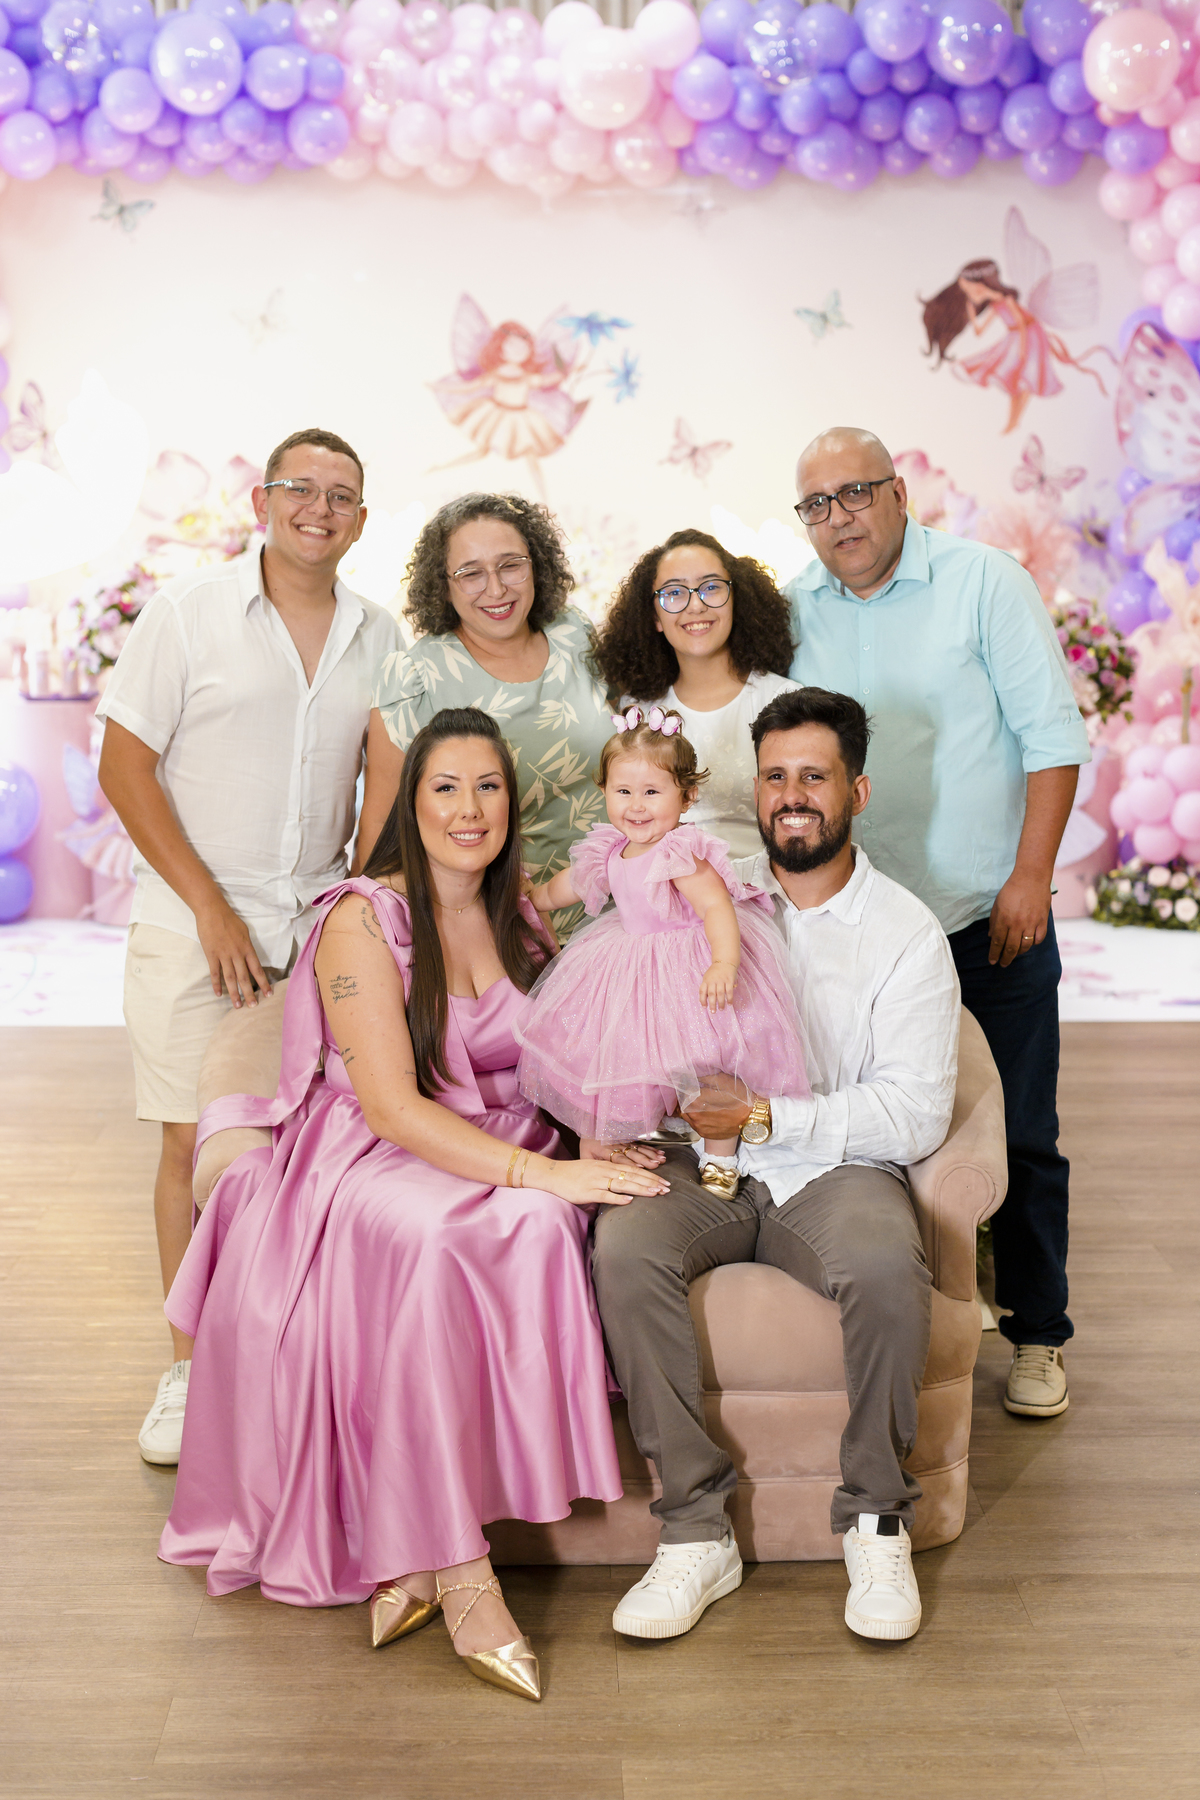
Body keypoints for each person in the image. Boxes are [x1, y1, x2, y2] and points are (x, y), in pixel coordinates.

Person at [158, 709, 669, 1702]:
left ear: (511, 804)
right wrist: (541, 1174)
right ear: (409, 804)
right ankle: (463, 1571)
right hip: (372, 1151)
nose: (469, 809)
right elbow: (392, 1107)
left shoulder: (522, 912)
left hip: (499, 1143)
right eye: (445, 787)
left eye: (488, 787)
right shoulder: (363, 919)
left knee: (536, 1228)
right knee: (443, 1238)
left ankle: (421, 1559)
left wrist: (585, 1141)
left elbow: (555, 1061)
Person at [592, 688, 959, 1644]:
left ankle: (876, 1517)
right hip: (695, 1161)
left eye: (814, 777)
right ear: (753, 790)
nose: (792, 795)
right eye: (775, 777)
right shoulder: (704, 883)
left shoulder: (905, 934)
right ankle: (694, 1530)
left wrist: (764, 1117)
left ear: (857, 792)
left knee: (883, 1264)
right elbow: (622, 1005)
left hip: (832, 1167)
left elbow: (916, 1112)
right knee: (623, 1248)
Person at [97, 428, 400, 1467]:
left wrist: (356, 905)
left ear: (362, 518)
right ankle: (186, 1372)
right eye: (300, 488)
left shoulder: (379, 634)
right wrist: (211, 909)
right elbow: (125, 767)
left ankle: (281, 1359)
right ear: (262, 502)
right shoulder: (188, 612)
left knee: (298, 1151)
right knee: (189, 1145)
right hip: (194, 927)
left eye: (342, 495)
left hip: (314, 930)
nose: (320, 508)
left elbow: (383, 782)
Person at [785, 426, 1091, 1419]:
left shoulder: (984, 582)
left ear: (898, 491)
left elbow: (1051, 739)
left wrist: (1031, 877)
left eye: (856, 492)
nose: (840, 517)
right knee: (880, 1130)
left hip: (985, 917)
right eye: (817, 504)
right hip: (861, 929)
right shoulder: (792, 608)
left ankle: (1039, 1332)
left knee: (1022, 1129)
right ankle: (920, 1322)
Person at [514, 704, 808, 1197]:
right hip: (628, 963)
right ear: (604, 790)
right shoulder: (611, 849)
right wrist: (535, 897)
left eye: (652, 792)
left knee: (708, 1059)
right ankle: (644, 1132)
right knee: (625, 1052)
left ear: (686, 796)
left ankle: (721, 1153)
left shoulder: (679, 852)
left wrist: (724, 962)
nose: (636, 806)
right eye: (623, 791)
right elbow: (570, 884)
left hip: (688, 964)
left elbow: (716, 907)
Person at [358, 492, 612, 940]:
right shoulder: (413, 679)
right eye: (470, 573)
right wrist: (368, 942)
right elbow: (381, 831)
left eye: (511, 565)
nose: (496, 589)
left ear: (537, 565)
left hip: (619, 908)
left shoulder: (574, 633)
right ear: (443, 584)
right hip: (501, 928)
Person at [590, 529, 799, 858]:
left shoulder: (787, 702)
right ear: (655, 617)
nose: (696, 605)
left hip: (765, 883)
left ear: (736, 600)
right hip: (661, 884)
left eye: (711, 587)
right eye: (674, 593)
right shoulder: (638, 712)